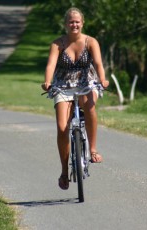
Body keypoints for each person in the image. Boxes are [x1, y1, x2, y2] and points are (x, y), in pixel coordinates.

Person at [41, 7, 109, 190]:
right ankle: (64, 171)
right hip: (63, 85)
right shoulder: (58, 44)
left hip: (87, 82)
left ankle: (92, 150)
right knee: (62, 127)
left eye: (77, 22)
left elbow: (98, 63)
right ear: (65, 24)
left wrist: (102, 79)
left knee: (90, 107)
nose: (74, 24)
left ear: (82, 23)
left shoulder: (90, 42)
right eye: (71, 22)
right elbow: (50, 65)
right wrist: (47, 81)